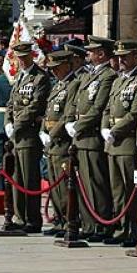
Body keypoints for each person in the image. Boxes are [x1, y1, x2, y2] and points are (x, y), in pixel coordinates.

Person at [67, 37, 116, 243]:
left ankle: (100, 224)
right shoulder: (89, 75)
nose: (88, 55)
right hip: (80, 138)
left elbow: (98, 108)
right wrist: (71, 121)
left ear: (101, 54)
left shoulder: (108, 76)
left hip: (92, 136)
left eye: (92, 51)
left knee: (96, 184)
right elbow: (77, 102)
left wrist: (78, 125)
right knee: (84, 185)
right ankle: (88, 224)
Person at [102, 39, 137, 246]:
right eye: (119, 56)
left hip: (127, 141)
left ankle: (132, 229)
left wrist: (114, 130)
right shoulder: (118, 80)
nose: (121, 60)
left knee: (131, 189)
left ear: (135, 57)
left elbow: (135, 113)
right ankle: (121, 227)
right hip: (112, 143)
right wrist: (105, 128)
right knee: (117, 190)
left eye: (125, 56)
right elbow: (107, 108)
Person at [5, 40, 51, 233]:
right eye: (19, 58)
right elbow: (11, 104)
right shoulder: (19, 79)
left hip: (29, 134)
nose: (22, 62)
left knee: (29, 179)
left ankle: (32, 219)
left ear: (31, 56)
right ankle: (19, 216)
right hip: (16, 137)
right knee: (17, 179)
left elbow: (35, 106)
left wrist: (16, 124)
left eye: (25, 58)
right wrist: (7, 122)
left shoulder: (40, 78)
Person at [42, 46, 83, 237]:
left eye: (57, 67)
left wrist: (52, 133)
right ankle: (59, 219)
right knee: (54, 184)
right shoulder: (58, 85)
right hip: (51, 142)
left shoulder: (73, 84)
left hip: (62, 142)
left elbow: (67, 115)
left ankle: (69, 220)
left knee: (64, 185)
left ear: (67, 65)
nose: (54, 71)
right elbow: (49, 110)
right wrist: (43, 130)